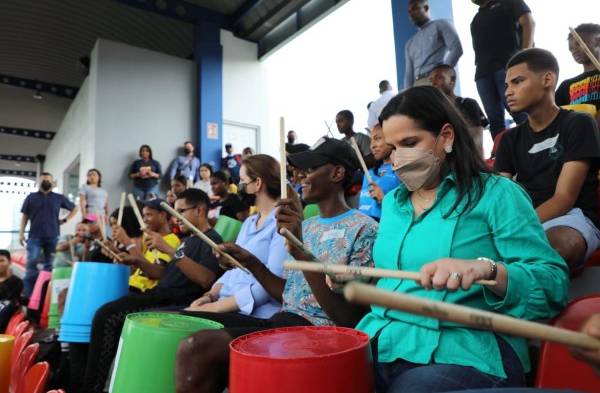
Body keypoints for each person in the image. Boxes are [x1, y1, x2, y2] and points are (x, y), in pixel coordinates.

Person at [354, 86, 569, 393]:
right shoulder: (392, 204)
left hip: (467, 350)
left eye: (410, 143)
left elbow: (552, 283)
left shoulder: (497, 195)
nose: (398, 159)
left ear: (446, 136)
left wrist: (488, 270)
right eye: (392, 149)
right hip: (381, 346)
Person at [175, 137, 378, 393]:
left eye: (312, 168)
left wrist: (302, 253)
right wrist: (249, 261)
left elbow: (348, 319)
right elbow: (288, 294)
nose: (302, 176)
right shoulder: (307, 226)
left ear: (338, 173)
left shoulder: (364, 229)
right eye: (301, 170)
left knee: (199, 347)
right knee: (185, 326)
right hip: (283, 321)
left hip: (320, 335)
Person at [75, 189, 223, 393]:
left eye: (181, 211)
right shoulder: (188, 240)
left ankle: (92, 387)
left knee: (107, 316)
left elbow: (206, 279)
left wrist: (171, 250)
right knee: (104, 313)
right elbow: (162, 275)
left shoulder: (211, 239)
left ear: (199, 210)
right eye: (175, 211)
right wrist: (137, 260)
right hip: (161, 294)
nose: (176, 217)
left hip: (175, 300)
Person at [496, 48, 600, 271]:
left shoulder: (579, 123)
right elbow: (500, 196)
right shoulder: (509, 139)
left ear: (548, 79)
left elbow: (564, 198)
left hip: (571, 216)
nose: (508, 92)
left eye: (517, 82)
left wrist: (518, 228)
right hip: (525, 218)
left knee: (557, 247)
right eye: (506, 86)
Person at [185, 155, 288, 318]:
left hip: (256, 315)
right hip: (228, 308)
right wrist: (210, 296)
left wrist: (214, 308)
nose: (238, 186)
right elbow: (234, 270)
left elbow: (269, 287)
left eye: (241, 180)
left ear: (258, 183)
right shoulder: (249, 222)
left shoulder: (282, 223)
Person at [471, 0, 534, 138]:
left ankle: (534, 147)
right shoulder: (476, 18)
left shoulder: (509, 2)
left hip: (507, 66)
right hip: (483, 74)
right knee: (494, 120)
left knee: (519, 111)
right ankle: (501, 155)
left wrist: (524, 55)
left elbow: (528, 22)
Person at [19, 172, 77, 297]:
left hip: (53, 235)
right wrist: (21, 233)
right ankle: (28, 296)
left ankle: (44, 295)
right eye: (43, 180)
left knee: (50, 266)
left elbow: (75, 208)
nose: (46, 181)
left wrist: (65, 220)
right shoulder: (31, 197)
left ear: (52, 182)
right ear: (39, 182)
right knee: (31, 264)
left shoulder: (58, 197)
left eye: (48, 180)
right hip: (34, 236)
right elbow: (25, 216)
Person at [113, 199, 181, 292]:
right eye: (143, 216)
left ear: (162, 215)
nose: (144, 220)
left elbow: (157, 273)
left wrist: (127, 242)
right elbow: (141, 266)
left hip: (142, 291)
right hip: (131, 286)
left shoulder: (171, 240)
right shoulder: (150, 239)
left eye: (149, 215)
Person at [430, 64, 489, 156]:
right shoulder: (433, 110)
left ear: (452, 80)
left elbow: (477, 141)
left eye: (439, 78)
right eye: (431, 80)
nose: (433, 83)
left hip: (468, 162)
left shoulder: (468, 104)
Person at [404, 0, 462, 89]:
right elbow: (409, 73)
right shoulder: (410, 43)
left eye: (415, 9)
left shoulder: (440, 25)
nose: (411, 14)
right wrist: (407, 94)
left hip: (435, 81)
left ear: (426, 8)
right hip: (416, 86)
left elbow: (456, 48)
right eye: (409, 12)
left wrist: (442, 73)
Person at [556, 23, 600, 126]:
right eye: (571, 49)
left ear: (598, 41)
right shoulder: (566, 85)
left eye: (578, 44)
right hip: (580, 138)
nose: (574, 51)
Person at [358, 124, 401, 221]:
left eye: (377, 138)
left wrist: (383, 200)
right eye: (370, 141)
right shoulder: (368, 173)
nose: (372, 146)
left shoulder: (401, 172)